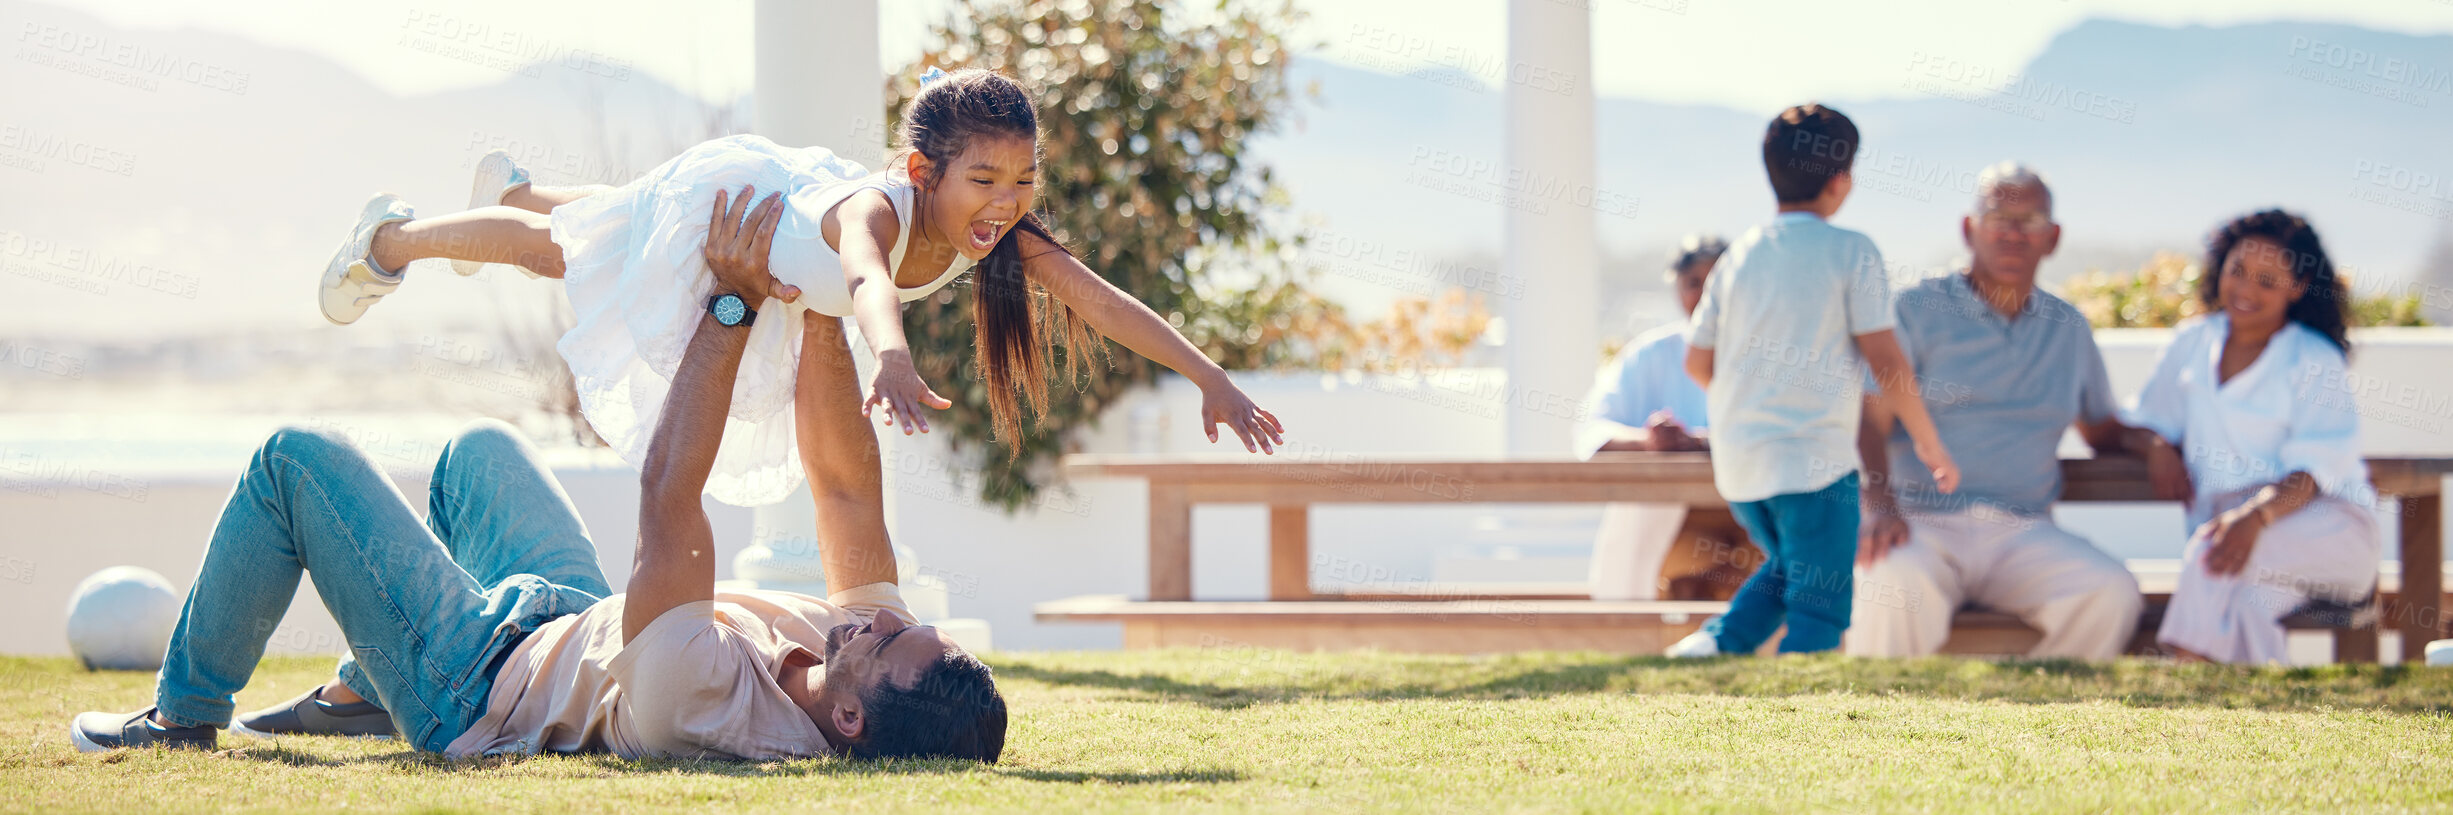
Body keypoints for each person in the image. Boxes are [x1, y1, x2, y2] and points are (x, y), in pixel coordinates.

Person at [71, 184, 1007, 762]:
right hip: (568, 621)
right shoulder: (860, 648)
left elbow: (667, 497)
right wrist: (814, 297)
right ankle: (364, 691)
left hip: (474, 685)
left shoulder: (705, 704)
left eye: (885, 641)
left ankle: (183, 713)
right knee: (479, 450)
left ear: (847, 717)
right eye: (897, 623)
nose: (882, 616)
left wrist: (732, 299)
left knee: (293, 461)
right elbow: (845, 485)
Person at [318, 66, 1284, 506]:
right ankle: (390, 240)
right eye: (984, 182)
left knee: (603, 218)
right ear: (923, 174)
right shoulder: (879, 211)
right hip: (741, 210)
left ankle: (518, 189)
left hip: (779, 218)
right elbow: (866, 281)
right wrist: (891, 356)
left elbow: (1098, 299)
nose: (1004, 203)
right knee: (567, 248)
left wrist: (1209, 375)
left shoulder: (1000, 235)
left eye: (1022, 181)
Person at [1666, 104, 1958, 658]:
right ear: (1842, 181)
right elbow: (1886, 360)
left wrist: (1750, 406)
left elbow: (1697, 364)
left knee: (1790, 571)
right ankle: (1803, 712)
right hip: (1815, 464)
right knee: (1820, 604)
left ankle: (1710, 652)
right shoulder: (1852, 251)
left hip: (1742, 465)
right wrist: (1927, 439)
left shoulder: (1739, 257)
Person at [1845, 163, 2145, 660]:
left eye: (2029, 220)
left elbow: (2102, 429)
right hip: (1920, 522)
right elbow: (1868, 417)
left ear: (2052, 237)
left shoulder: (2067, 328)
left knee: (2109, 592)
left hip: (2023, 531)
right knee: (1891, 582)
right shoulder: (1916, 310)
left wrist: (2150, 445)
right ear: (1968, 229)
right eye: (1997, 216)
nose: (2012, 233)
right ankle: (1878, 730)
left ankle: (2042, 724)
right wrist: (1878, 504)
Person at [2128, 210, 2378, 664]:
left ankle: (2180, 691)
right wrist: (2157, 445)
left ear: (2297, 287)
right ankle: (2265, 722)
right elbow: (2143, 419)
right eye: (2237, 271)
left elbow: (2316, 469)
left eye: (2266, 280)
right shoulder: (2192, 343)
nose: (2245, 290)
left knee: (2210, 556)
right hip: (2236, 535)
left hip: (2328, 531)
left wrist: (2255, 518)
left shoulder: (2312, 357)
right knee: (2245, 605)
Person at [1577, 234, 1760, 601]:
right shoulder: (1651, 354)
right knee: (1650, 524)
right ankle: (1622, 634)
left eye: (1716, 282)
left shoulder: (1768, 356)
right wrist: (1650, 442)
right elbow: (1593, 429)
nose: (1705, 294)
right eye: (1694, 283)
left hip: (1753, 517)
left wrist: (1697, 443)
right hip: (1676, 524)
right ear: (1677, 288)